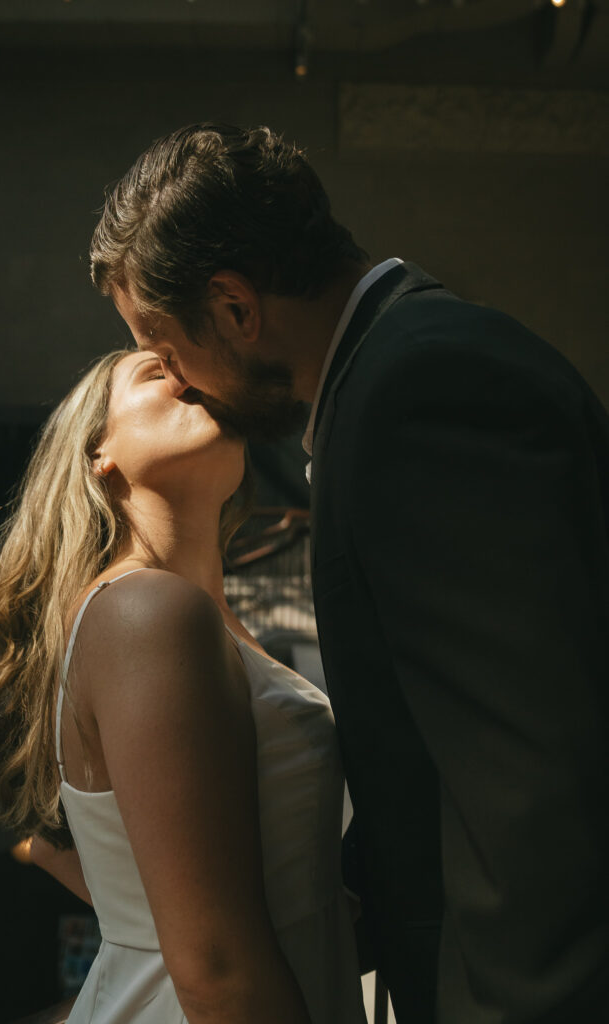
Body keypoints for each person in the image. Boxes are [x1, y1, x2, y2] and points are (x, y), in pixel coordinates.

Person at [88, 123, 609, 1023]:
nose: (178, 380)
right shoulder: (408, 369)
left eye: (166, 349)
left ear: (237, 310)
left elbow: (533, 791)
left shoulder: (417, 392)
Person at [0, 348, 367, 1024]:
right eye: (158, 372)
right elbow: (216, 968)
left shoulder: (202, 620)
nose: (193, 375)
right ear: (99, 454)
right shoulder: (142, 611)